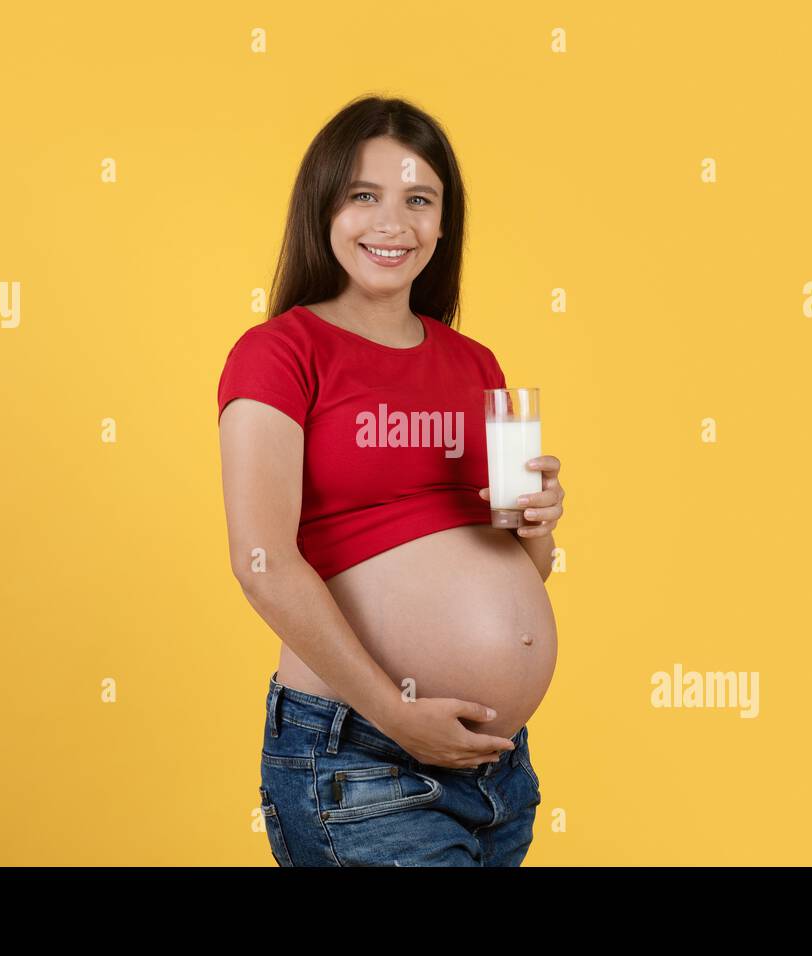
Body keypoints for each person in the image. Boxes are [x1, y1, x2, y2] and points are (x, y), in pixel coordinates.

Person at [217, 96, 567, 866]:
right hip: (362, 756)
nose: (393, 223)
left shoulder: (474, 364)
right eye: (364, 196)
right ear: (324, 209)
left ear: (444, 223)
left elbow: (522, 570)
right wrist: (394, 712)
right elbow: (262, 562)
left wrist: (538, 531)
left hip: (498, 773)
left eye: (419, 200)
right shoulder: (280, 352)